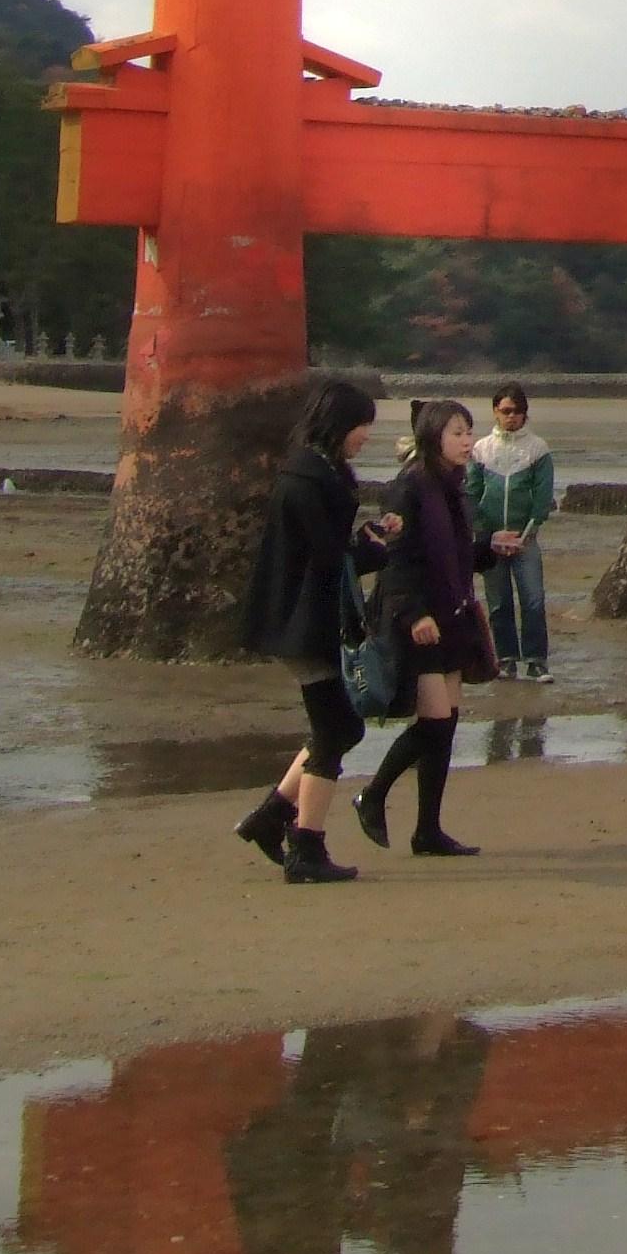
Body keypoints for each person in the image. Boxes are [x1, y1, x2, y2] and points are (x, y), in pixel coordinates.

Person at [237, 376, 395, 885]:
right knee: (338, 729)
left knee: (338, 728)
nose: (365, 436)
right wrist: (372, 549)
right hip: (301, 623)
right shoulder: (307, 478)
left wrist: (366, 542)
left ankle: (273, 819)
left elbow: (330, 551)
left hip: (304, 620)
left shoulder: (317, 471)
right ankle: (304, 845)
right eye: (362, 426)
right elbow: (327, 557)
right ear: (338, 424)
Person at [354, 397, 503, 857]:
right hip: (419, 619)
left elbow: (455, 555)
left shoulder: (453, 485)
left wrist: (490, 548)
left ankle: (428, 830)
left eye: (469, 431)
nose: (467, 441)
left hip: (452, 614)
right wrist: (414, 614)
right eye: (457, 433)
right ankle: (372, 793)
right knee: (435, 721)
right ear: (433, 436)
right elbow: (396, 559)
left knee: (445, 724)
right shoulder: (410, 486)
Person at [467, 381, 557, 683]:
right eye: (505, 411)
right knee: (498, 602)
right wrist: (484, 533)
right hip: (491, 539)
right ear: (495, 411)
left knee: (533, 599)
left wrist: (527, 532)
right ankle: (506, 659)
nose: (511, 417)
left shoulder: (538, 449)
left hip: (524, 538)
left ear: (524, 414)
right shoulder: (481, 449)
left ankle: (536, 661)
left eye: (517, 411)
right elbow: (471, 493)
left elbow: (543, 496)